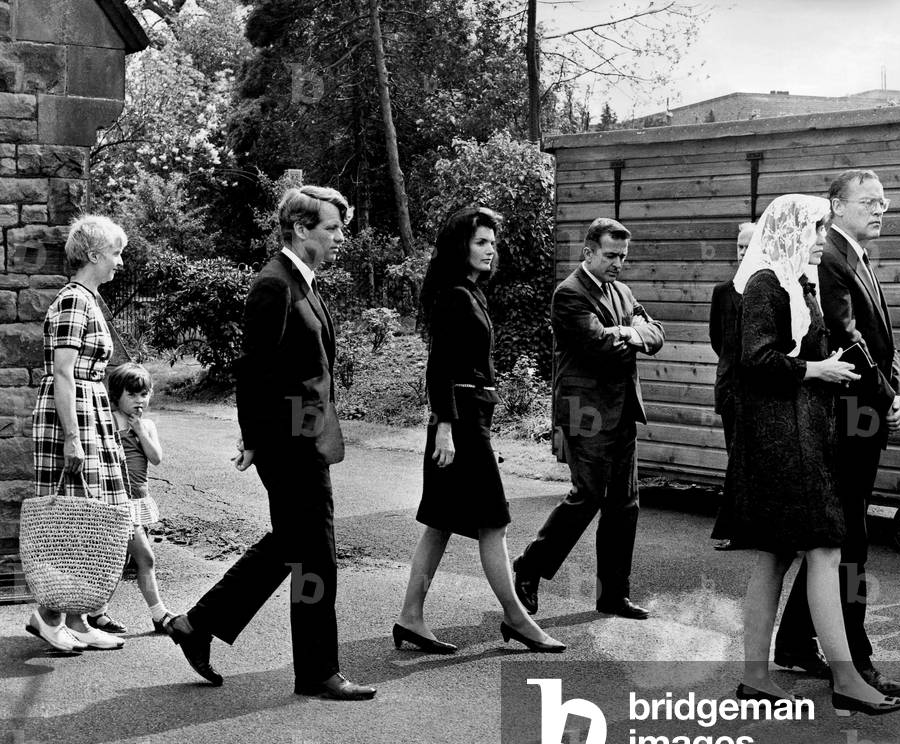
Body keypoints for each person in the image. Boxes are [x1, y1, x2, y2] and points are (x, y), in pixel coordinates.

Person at [165, 186, 376, 701]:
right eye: (332, 228)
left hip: (305, 438)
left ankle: (197, 624)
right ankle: (319, 671)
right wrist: (256, 440)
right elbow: (254, 372)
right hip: (289, 446)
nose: (339, 238)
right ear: (302, 229)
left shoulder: (302, 282)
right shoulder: (274, 284)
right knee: (316, 557)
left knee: (292, 546)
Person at [712, 194, 900, 716]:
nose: (823, 239)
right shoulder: (765, 284)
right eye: (817, 230)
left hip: (804, 431)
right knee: (823, 548)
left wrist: (837, 366)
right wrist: (819, 371)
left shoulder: (799, 283)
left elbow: (808, 350)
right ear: (793, 231)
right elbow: (756, 360)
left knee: (778, 554)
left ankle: (757, 675)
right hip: (782, 438)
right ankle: (845, 678)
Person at [394, 207, 564, 654]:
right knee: (494, 522)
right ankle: (517, 618)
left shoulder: (471, 292)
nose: (491, 249)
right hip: (461, 423)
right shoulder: (454, 295)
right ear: (461, 247)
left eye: (492, 242)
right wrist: (446, 428)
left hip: (469, 418)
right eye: (481, 242)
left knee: (439, 523)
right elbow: (439, 368)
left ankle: (411, 617)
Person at [774, 170, 900, 698]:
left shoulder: (855, 254)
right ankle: (855, 662)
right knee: (848, 542)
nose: (880, 209)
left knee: (836, 537)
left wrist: (895, 390)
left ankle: (792, 644)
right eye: (869, 201)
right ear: (837, 205)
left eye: (884, 201)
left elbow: (881, 339)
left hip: (867, 414)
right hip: (845, 422)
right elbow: (849, 341)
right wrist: (886, 396)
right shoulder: (830, 256)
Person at [512, 218, 664, 620]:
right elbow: (597, 346)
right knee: (588, 496)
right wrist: (631, 334)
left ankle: (613, 595)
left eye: (623, 257)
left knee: (624, 504)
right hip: (585, 413)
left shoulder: (624, 291)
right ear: (589, 253)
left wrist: (631, 333)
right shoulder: (569, 294)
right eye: (611, 255)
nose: (618, 264)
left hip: (622, 409)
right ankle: (530, 566)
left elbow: (658, 334)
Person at [26, 215, 132, 652]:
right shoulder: (74, 301)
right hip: (73, 415)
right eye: (115, 253)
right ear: (93, 256)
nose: (119, 262)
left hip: (91, 411)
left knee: (92, 515)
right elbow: (64, 374)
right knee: (71, 515)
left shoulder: (87, 300)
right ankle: (48, 615)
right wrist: (72, 436)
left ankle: (78, 617)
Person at [107, 362, 178, 632]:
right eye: (132, 394)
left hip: (137, 499)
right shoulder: (110, 421)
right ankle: (159, 614)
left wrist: (139, 432)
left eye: (143, 394)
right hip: (117, 500)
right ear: (117, 396)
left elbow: (156, 458)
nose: (139, 400)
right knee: (145, 558)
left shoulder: (146, 425)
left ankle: (97, 613)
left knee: (118, 560)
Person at [709, 221, 755, 551]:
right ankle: (736, 530)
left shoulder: (772, 287)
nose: (742, 252)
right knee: (736, 456)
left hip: (762, 388)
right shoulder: (722, 292)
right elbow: (718, 340)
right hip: (731, 389)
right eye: (739, 246)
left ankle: (760, 527)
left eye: (748, 246)